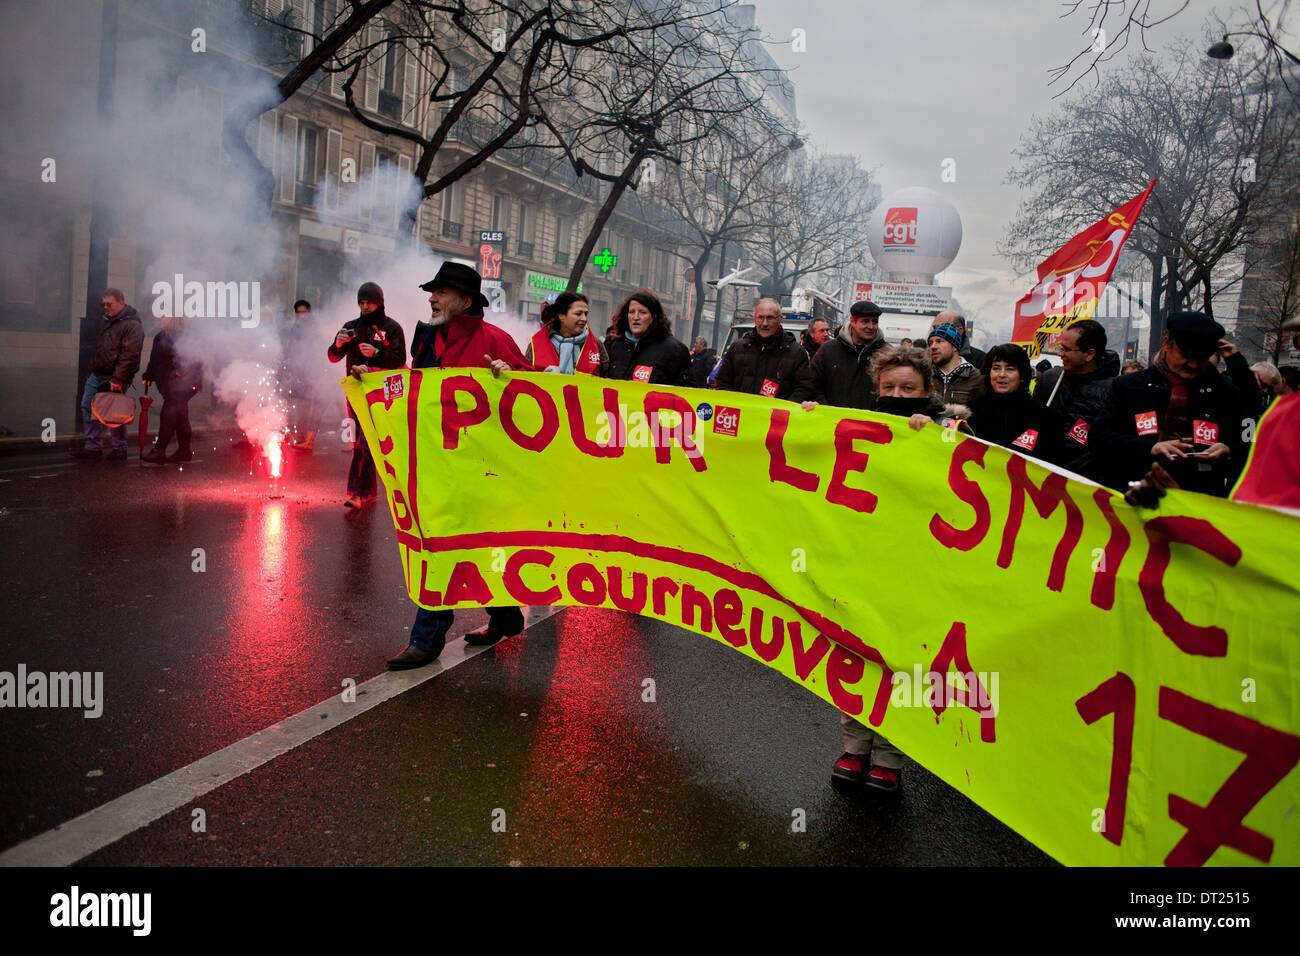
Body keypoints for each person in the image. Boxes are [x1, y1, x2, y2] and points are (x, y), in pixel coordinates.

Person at [389, 262, 533, 671]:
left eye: (441, 292)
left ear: (465, 301)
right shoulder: (426, 338)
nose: (432, 298)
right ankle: (505, 616)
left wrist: (509, 378)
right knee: (450, 546)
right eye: (431, 292)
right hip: (438, 464)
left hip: (482, 470)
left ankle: (427, 639)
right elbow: (415, 389)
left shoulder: (496, 340)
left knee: (456, 548)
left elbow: (536, 398)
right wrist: (375, 382)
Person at [831, 346, 963, 794]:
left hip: (918, 566)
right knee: (859, 653)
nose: (897, 394)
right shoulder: (861, 425)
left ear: (928, 389)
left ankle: (890, 755)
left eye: (908, 388)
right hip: (866, 560)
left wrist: (938, 437)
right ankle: (854, 747)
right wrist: (808, 419)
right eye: (888, 387)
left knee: (903, 661)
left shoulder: (950, 428)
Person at [1090, 311, 1253, 497]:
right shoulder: (1129, 386)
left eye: (1201, 358)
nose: (1192, 365)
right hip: (1133, 493)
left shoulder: (1224, 393)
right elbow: (1099, 437)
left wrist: (1227, 449)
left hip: (1197, 500)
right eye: (1186, 355)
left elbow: (1248, 441)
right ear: (1167, 343)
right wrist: (1151, 447)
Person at [328, 282, 406, 509]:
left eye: (369, 302)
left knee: (368, 442)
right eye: (361, 302)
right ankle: (366, 490)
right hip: (355, 392)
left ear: (379, 302)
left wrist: (378, 353)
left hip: (382, 394)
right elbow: (333, 357)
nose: (365, 306)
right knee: (359, 443)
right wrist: (338, 343)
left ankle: (359, 493)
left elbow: (399, 361)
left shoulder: (392, 328)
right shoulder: (350, 327)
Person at [1033, 319, 1119, 475]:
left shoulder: (1114, 392)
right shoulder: (1050, 380)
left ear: (1089, 354)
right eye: (1060, 347)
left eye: (1066, 349)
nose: (1060, 354)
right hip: (1040, 472)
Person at [72, 288, 144, 461]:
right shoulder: (108, 321)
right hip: (97, 373)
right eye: (103, 304)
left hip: (115, 376)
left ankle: (120, 448)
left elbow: (130, 355)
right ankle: (93, 447)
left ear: (120, 302)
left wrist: (118, 379)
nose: (105, 307)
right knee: (88, 406)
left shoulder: (132, 325)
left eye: (109, 304)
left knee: (115, 412)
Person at [967, 344, 1068, 464]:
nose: (1002, 374)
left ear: (1022, 375)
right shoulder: (970, 411)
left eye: (1010, 369)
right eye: (996, 368)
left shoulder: (1046, 419)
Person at [714, 296, 814, 401]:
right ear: (754, 318)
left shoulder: (796, 353)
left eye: (770, 318)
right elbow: (722, 382)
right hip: (740, 415)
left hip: (776, 416)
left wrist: (783, 411)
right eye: (760, 317)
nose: (765, 323)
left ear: (780, 319)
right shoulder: (737, 348)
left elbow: (804, 388)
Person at [805, 299, 889, 410]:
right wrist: (826, 410)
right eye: (865, 321)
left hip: (871, 424)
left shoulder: (887, 354)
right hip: (833, 423)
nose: (871, 326)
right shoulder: (828, 350)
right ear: (852, 321)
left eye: (875, 321)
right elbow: (813, 384)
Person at [140, 316, 202, 464]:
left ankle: (160, 450)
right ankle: (184, 451)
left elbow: (195, 359)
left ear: (174, 319)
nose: (159, 320)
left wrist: (180, 372)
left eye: (163, 317)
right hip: (170, 383)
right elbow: (155, 359)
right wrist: (149, 375)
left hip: (184, 383)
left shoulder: (187, 336)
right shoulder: (160, 336)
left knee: (168, 413)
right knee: (180, 416)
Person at [604, 290, 693, 386]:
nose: (636, 317)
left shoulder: (675, 350)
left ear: (654, 317)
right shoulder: (614, 345)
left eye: (642, 312)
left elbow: (687, 392)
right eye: (631, 312)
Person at [526, 292, 607, 375]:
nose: (584, 319)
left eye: (585, 314)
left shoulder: (596, 345)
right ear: (561, 316)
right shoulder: (537, 344)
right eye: (578, 314)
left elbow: (607, 379)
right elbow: (526, 378)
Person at [284, 299, 320, 450]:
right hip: (299, 374)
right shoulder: (293, 329)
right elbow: (290, 349)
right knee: (302, 408)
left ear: (309, 313)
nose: (301, 315)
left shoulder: (315, 329)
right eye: (298, 313)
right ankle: (301, 437)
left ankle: (310, 440)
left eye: (304, 312)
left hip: (314, 373)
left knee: (316, 408)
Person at [927, 322, 983, 409]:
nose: (933, 347)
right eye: (930, 343)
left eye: (939, 341)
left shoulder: (976, 377)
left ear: (954, 347)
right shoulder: (925, 375)